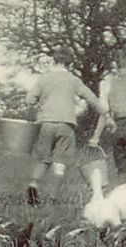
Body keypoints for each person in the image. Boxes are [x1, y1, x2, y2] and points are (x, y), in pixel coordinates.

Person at [24, 46, 108, 205]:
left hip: (46, 124)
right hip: (66, 125)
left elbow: (29, 100)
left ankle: (33, 185)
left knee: (44, 159)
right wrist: (106, 114)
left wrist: (40, 104)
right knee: (60, 162)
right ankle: (54, 198)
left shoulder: (44, 79)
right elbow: (91, 97)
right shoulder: (73, 80)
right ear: (69, 64)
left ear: (54, 61)